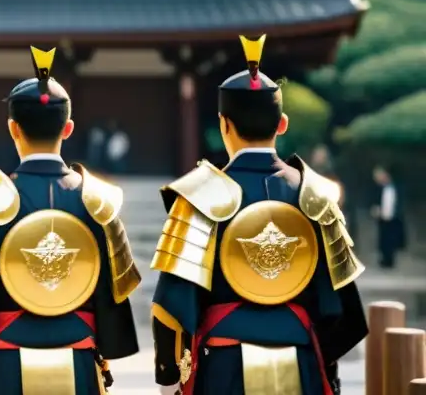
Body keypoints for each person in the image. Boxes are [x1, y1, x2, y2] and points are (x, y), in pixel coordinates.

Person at [151, 34, 368, 395]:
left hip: (223, 366)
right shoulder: (317, 195)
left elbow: (170, 308)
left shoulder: (198, 196)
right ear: (281, 124)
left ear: (223, 125)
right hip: (301, 364)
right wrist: (322, 366)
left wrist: (171, 377)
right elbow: (343, 311)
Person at [0, 45, 140, 394]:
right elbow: (114, 296)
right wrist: (104, 355)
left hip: (5, 365)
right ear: (68, 129)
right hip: (78, 360)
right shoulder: (99, 201)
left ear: (13, 129)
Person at [371, 165, 405, 269]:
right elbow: (376, 201)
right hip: (383, 218)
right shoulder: (379, 189)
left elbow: (399, 201)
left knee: (391, 239)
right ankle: (385, 259)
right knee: (383, 239)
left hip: (393, 218)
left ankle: (389, 260)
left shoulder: (395, 187)